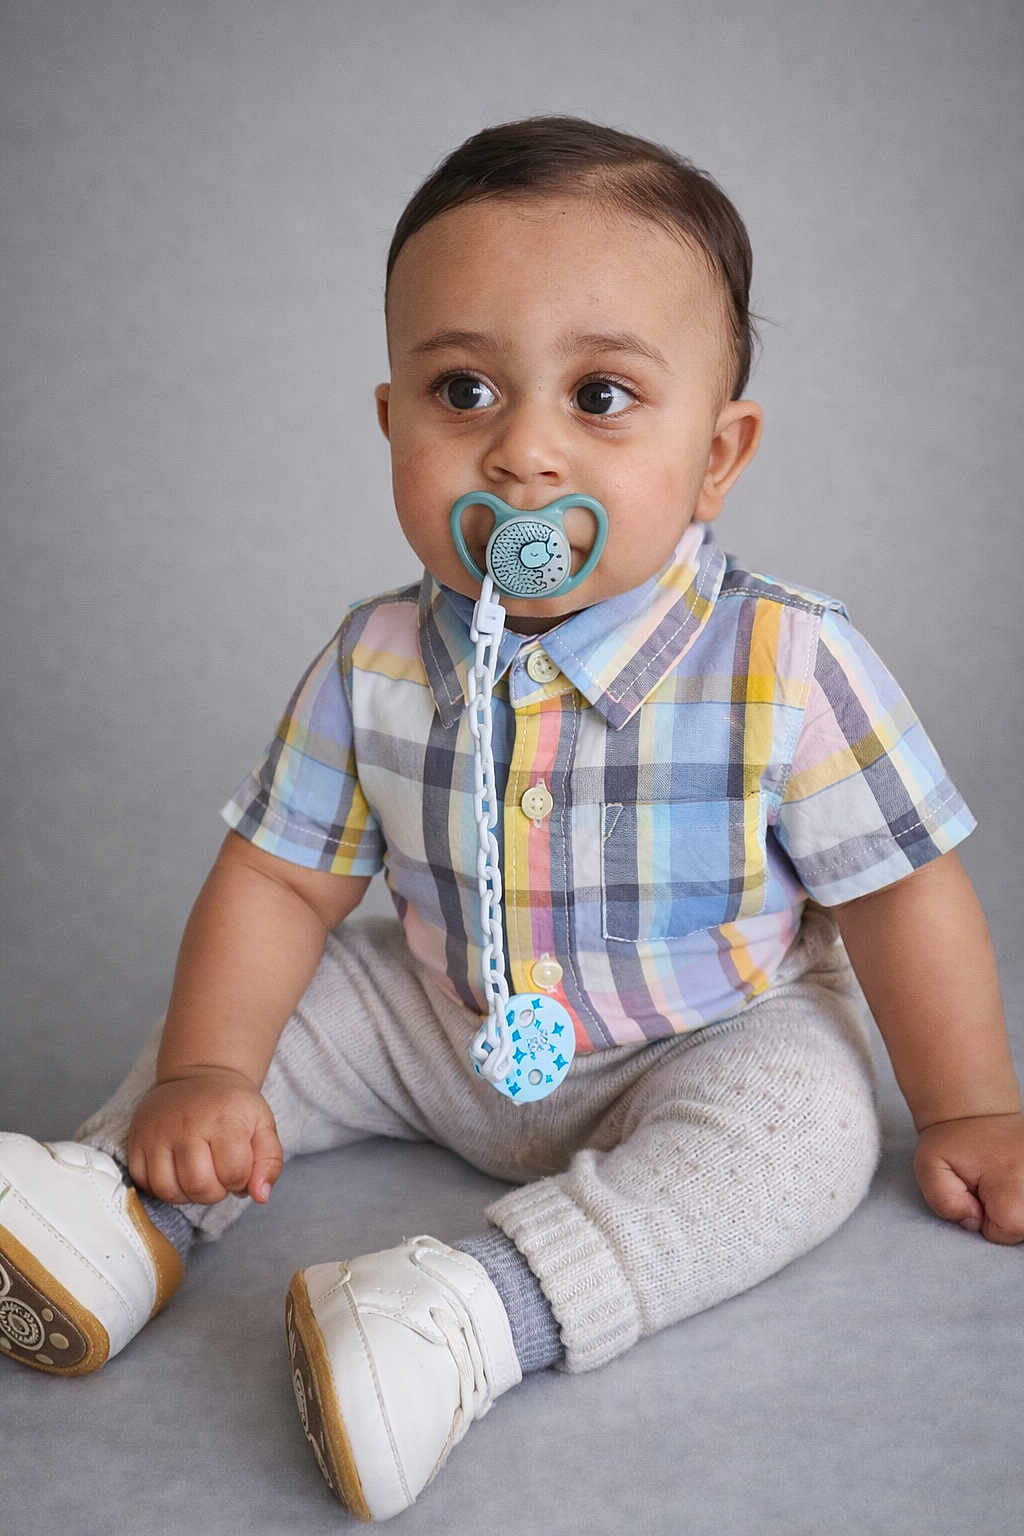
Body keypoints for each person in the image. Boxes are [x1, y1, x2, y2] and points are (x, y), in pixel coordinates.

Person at [2, 114, 1021, 1523]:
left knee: (810, 1127)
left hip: (704, 1033)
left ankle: (470, 1313)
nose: (524, 454)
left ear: (719, 454)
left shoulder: (789, 665)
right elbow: (281, 882)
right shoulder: (370, 659)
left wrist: (971, 1107)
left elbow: (903, 892)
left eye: (602, 397)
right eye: (465, 390)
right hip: (439, 1019)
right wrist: (206, 1071)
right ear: (392, 421)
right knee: (273, 1014)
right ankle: (124, 1210)